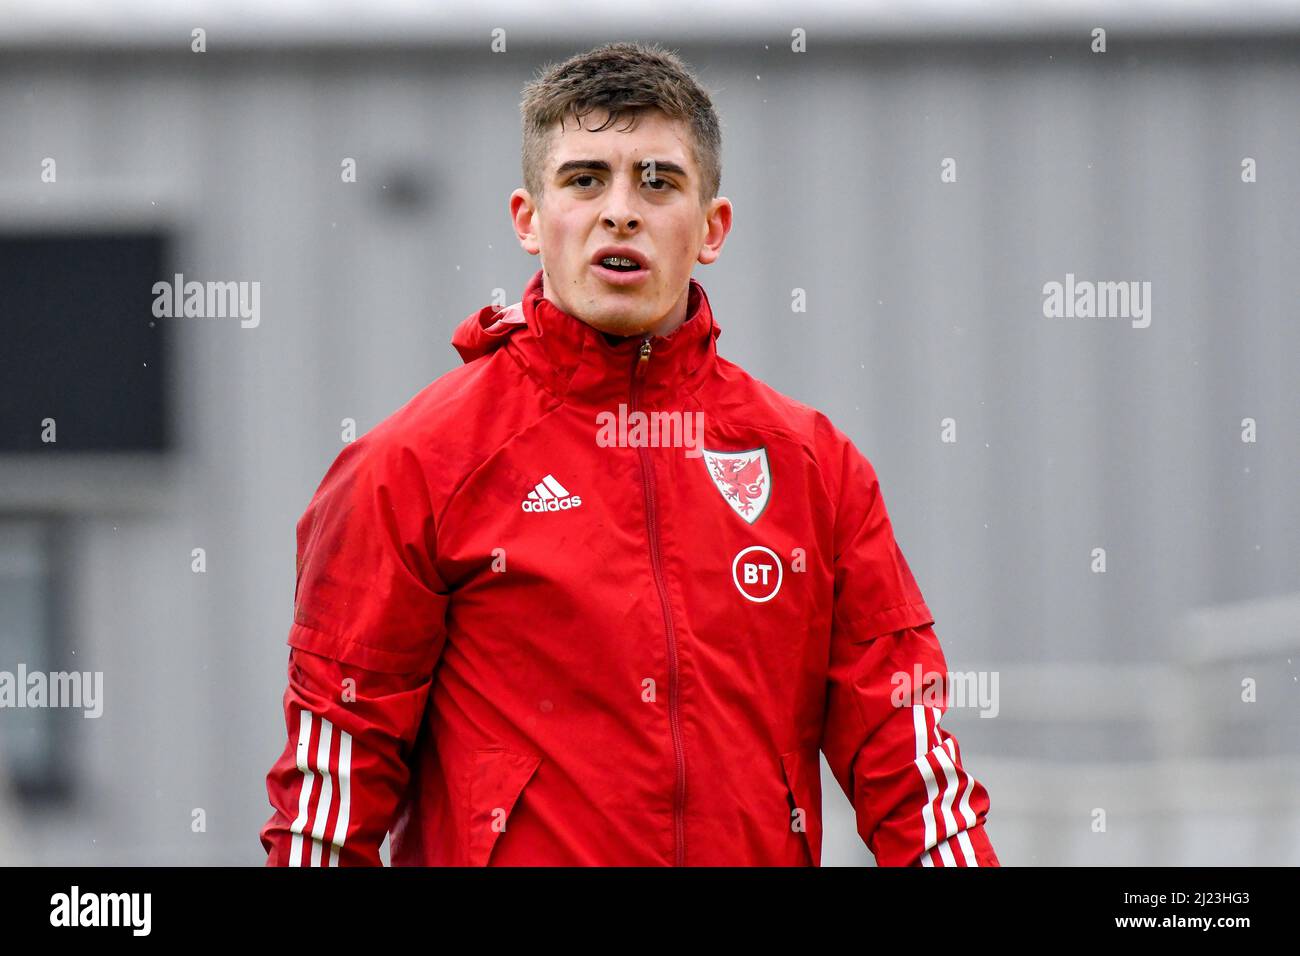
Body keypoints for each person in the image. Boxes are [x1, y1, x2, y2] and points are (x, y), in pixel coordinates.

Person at [260, 40, 999, 867]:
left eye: (658, 181)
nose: (620, 211)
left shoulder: (815, 468)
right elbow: (333, 791)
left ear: (712, 228)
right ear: (528, 219)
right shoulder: (412, 464)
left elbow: (911, 768)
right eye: (584, 180)